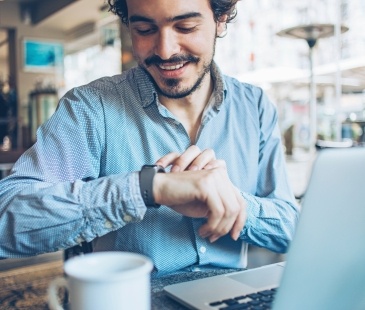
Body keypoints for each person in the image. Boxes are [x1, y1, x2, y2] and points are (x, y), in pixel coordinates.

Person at [0, 0, 299, 276]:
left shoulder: (255, 106)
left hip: (230, 297)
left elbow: (290, 227)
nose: (165, 51)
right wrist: (148, 188)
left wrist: (230, 203)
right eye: (144, 29)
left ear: (220, 19)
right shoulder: (91, 108)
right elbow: (7, 218)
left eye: (185, 27)